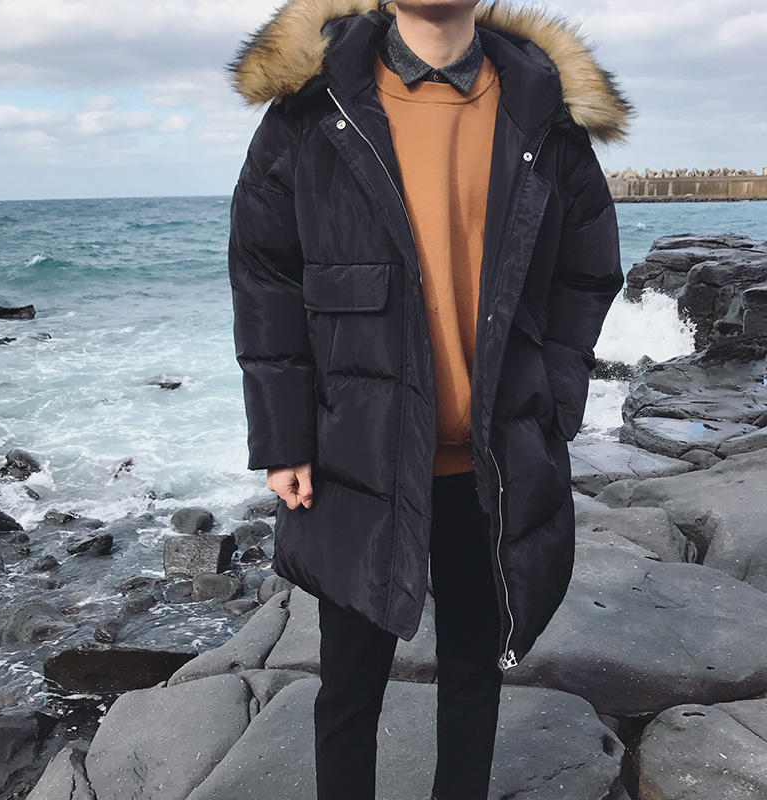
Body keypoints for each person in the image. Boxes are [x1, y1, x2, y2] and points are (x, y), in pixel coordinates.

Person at [226, 1, 630, 798]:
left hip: (493, 460)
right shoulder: (313, 105)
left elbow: (587, 269)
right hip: (356, 452)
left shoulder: (542, 112)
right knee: (348, 685)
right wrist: (283, 436)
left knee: (475, 671)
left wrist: (554, 399)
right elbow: (265, 274)